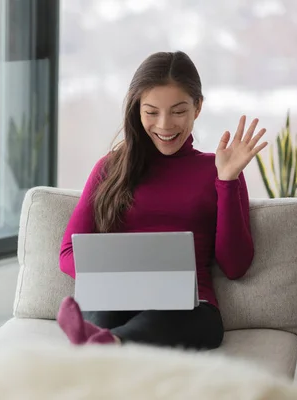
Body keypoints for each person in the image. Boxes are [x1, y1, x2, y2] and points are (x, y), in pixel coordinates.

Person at [56, 51, 267, 349]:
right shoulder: (111, 167)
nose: (165, 125)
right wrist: (122, 278)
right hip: (116, 298)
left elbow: (235, 266)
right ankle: (105, 340)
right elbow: (67, 252)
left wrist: (227, 181)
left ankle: (107, 343)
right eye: (151, 112)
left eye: (178, 111)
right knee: (103, 311)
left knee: (180, 319)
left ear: (198, 107)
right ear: (136, 109)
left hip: (189, 308)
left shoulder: (217, 170)